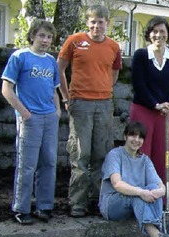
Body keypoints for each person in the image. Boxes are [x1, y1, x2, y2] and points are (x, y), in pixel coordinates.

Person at [57, 4, 122, 218]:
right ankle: (77, 203)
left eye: (101, 22)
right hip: (80, 103)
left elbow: (113, 74)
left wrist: (103, 90)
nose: (97, 26)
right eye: (93, 22)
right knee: (80, 155)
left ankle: (98, 200)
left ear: (107, 24)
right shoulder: (74, 41)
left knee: (101, 155)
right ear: (87, 23)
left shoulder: (113, 46)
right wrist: (66, 97)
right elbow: (59, 68)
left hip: (104, 105)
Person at [1, 19, 61, 225]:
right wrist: (24, 113)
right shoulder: (20, 57)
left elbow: (54, 90)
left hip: (49, 118)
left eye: (49, 37)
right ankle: (21, 208)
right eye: (42, 35)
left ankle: (44, 206)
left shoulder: (51, 61)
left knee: (49, 163)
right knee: (27, 166)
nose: (45, 40)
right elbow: (6, 89)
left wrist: (57, 111)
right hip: (30, 119)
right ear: (33, 35)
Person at [99, 122, 169, 237]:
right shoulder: (115, 155)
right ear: (125, 136)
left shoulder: (145, 160)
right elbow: (117, 184)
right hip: (112, 204)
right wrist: (141, 192)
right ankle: (157, 236)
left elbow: (161, 186)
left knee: (152, 187)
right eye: (133, 135)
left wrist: (158, 192)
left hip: (134, 205)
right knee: (138, 194)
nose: (136, 140)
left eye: (140, 137)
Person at [130, 16, 169, 183]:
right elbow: (139, 84)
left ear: (168, 34)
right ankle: (138, 195)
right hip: (143, 109)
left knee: (162, 155)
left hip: (165, 112)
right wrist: (155, 104)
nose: (158, 35)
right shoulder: (141, 55)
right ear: (149, 34)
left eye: (162, 31)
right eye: (155, 31)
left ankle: (159, 198)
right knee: (141, 152)